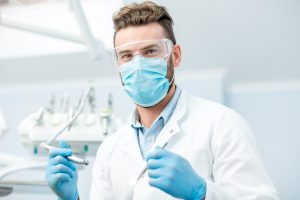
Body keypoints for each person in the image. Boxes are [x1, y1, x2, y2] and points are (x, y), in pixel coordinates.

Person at [46, 1, 279, 200]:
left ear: (175, 55)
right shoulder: (110, 148)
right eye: (127, 55)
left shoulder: (222, 124)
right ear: (118, 65)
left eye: (150, 51)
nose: (137, 64)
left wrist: (202, 192)